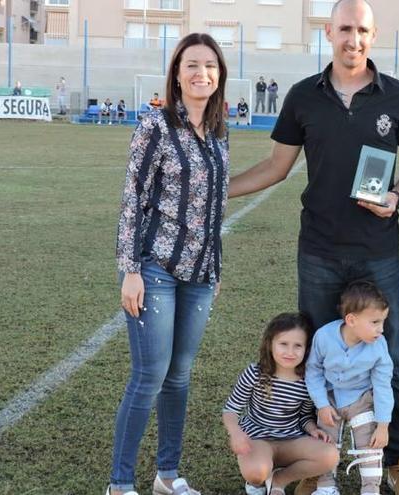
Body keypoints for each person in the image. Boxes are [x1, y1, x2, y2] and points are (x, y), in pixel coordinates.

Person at [226, 2, 399, 494]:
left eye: (361, 30)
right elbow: (275, 167)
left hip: (377, 251)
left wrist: (397, 195)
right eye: (344, 29)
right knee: (315, 359)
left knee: (390, 357)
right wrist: (218, 191)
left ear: (373, 35)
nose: (352, 39)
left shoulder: (398, 97)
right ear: (328, 33)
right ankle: (321, 466)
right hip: (317, 250)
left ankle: (397, 457)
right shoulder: (302, 97)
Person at [110, 32, 231, 495]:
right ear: (177, 75)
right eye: (192, 65)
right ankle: (119, 484)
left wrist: (215, 268)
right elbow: (131, 200)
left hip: (201, 275)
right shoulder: (154, 126)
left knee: (179, 376)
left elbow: (215, 205)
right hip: (155, 268)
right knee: (149, 376)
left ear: (219, 76)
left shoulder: (220, 131)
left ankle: (167, 475)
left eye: (210, 66)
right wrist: (131, 270)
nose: (202, 73)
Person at [223, 312, 340, 495]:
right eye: (283, 344)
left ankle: (280, 479)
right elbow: (231, 410)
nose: (290, 352)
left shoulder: (307, 381)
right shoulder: (255, 373)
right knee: (256, 473)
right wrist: (236, 433)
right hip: (258, 439)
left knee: (330, 455)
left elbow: (303, 416)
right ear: (270, 344)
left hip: (291, 440)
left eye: (297, 346)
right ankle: (261, 477)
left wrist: (312, 429)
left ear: (306, 349)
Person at [305, 281, 395, 495]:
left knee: (370, 445)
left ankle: (370, 490)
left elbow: (383, 386)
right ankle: (326, 486)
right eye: (375, 322)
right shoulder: (324, 336)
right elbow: (313, 371)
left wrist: (383, 425)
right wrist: (322, 405)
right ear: (351, 320)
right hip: (330, 399)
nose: (381, 330)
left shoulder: (379, 347)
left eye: (383, 322)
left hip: (361, 400)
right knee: (325, 441)